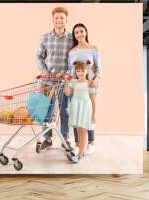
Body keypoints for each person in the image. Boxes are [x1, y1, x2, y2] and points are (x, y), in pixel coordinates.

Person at [36, 6, 73, 150]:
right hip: (47, 81)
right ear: (53, 19)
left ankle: (65, 139)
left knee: (64, 112)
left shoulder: (71, 38)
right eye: (56, 17)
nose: (59, 20)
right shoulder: (45, 37)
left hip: (64, 82)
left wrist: (66, 73)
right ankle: (48, 139)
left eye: (62, 18)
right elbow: (39, 56)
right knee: (46, 111)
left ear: (66, 20)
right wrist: (44, 71)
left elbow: (74, 60)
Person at [66, 23, 102, 156]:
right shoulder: (72, 52)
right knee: (76, 113)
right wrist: (68, 81)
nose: (79, 34)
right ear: (74, 35)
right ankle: (77, 144)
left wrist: (95, 79)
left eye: (81, 31)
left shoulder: (93, 49)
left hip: (90, 86)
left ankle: (91, 142)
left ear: (86, 32)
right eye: (76, 33)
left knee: (88, 113)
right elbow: (70, 70)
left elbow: (99, 69)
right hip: (75, 87)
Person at [64, 61, 96, 163]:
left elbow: (93, 99)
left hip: (85, 108)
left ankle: (81, 154)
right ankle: (80, 153)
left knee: (84, 131)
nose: (80, 73)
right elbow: (68, 93)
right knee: (78, 131)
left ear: (87, 71)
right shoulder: (73, 82)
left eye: (82, 71)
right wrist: (66, 82)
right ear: (76, 72)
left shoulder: (89, 83)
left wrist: (94, 114)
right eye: (78, 71)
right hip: (76, 107)